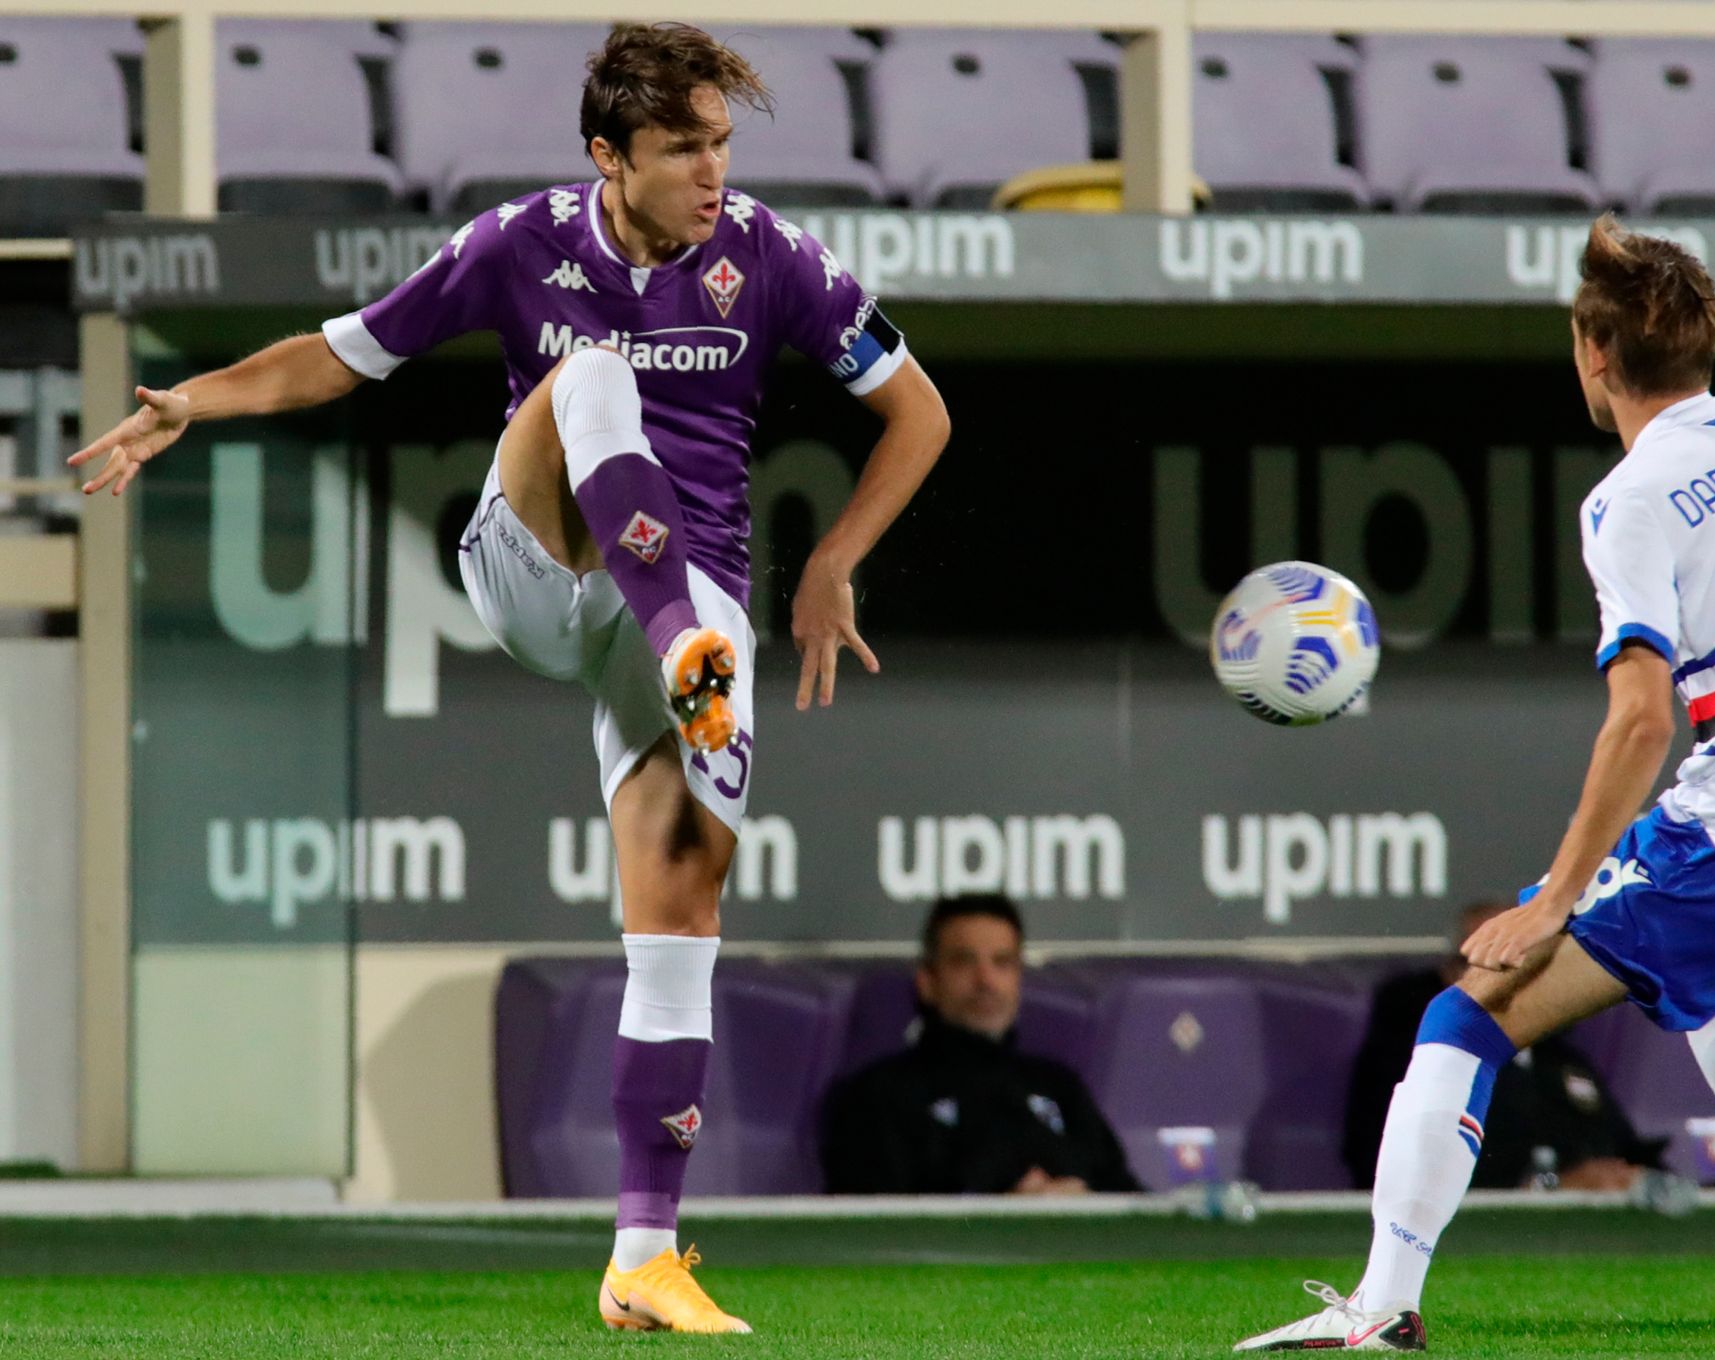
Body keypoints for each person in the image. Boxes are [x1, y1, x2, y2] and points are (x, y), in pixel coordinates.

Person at [69, 24, 950, 1335]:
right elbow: (343, 351)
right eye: (682, 148)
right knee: (588, 374)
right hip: (539, 561)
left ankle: (641, 1257)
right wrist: (193, 401)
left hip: (692, 589)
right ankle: (678, 651)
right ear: (609, 155)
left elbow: (920, 410)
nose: (713, 172)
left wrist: (832, 563)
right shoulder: (517, 244)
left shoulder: (771, 257)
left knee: (680, 920)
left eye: (721, 142)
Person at [1236, 214, 1715, 1353]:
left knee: (1465, 1013)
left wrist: (1557, 895)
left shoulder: (1632, 496)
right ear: (1705, 349)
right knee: (1713, 979)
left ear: (1593, 354)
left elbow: (1640, 718)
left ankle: (1378, 1308)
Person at [820, 895, 1141, 1196]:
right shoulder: (878, 1096)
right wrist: (1007, 1220)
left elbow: (1131, 1209)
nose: (986, 981)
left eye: (1002, 962)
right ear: (928, 982)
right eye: (964, 962)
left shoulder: (1060, 1086)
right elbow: (870, 1231)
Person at [1343, 899, 1668, 1195]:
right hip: (1478, 1231)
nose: (1510, 975)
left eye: (1524, 960)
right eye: (1489, 960)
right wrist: (1548, 1187)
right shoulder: (1423, 1059)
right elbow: (1386, 1160)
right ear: (1453, 973)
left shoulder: (1563, 1061)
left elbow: (1627, 1150)